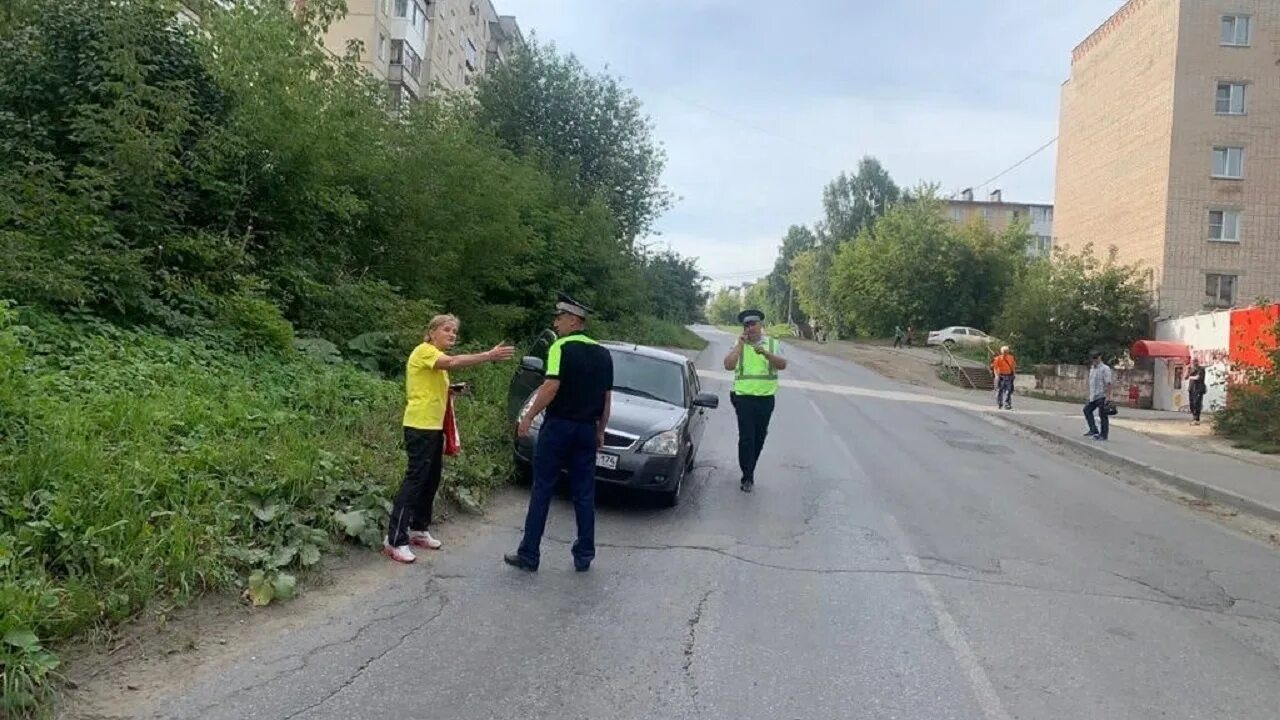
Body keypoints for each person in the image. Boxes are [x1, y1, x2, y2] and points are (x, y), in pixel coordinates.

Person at [384, 315, 515, 564]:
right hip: (419, 425)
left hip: (434, 427)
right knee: (415, 479)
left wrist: (451, 390)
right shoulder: (425, 351)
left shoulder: (434, 357)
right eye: (446, 329)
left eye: (455, 331)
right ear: (431, 331)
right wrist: (488, 355)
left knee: (430, 479)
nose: (452, 334)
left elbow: (430, 385)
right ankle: (395, 540)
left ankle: (418, 529)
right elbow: (452, 362)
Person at [506, 293, 614, 573]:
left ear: (574, 321)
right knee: (584, 493)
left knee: (542, 488)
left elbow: (551, 386)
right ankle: (584, 555)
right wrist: (600, 430)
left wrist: (528, 416)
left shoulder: (560, 348)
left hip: (559, 427)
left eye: (560, 317)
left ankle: (529, 554)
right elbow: (606, 399)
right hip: (586, 431)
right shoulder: (603, 354)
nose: (556, 322)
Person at [723, 309, 788, 492]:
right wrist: (740, 346)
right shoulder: (738, 344)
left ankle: (750, 469)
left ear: (761, 326)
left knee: (759, 437)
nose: (750, 328)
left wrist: (766, 354)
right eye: (747, 325)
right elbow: (728, 365)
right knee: (747, 438)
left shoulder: (773, 344)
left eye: (753, 324)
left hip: (766, 399)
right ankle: (747, 476)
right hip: (743, 397)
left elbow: (782, 365)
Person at [1083, 351, 1114, 441]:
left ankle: (1104, 435)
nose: (1094, 360)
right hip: (1093, 396)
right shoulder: (1092, 369)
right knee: (1087, 410)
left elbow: (1108, 383)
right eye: (1093, 358)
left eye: (1096, 358)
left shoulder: (1105, 368)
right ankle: (1093, 430)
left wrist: (1108, 397)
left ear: (1100, 358)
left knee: (1103, 415)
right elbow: (1091, 383)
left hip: (1102, 395)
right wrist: (1088, 395)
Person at [991, 345, 1017, 410]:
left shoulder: (1011, 358)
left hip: (1009, 376)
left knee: (1008, 391)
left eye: (1006, 351)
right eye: (1004, 351)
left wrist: (1013, 374)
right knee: (999, 390)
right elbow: (995, 367)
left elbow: (1013, 366)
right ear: (1001, 352)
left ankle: (1007, 404)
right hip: (1001, 376)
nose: (1005, 352)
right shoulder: (998, 358)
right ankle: (999, 403)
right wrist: (996, 375)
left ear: (1008, 351)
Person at [1186, 359, 1207, 425]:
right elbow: (1185, 377)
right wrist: (1187, 369)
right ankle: (1194, 417)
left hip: (1198, 389)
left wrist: (1190, 377)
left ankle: (1197, 419)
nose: (1194, 363)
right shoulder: (1191, 369)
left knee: (1197, 403)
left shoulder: (1201, 369)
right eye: (1192, 362)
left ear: (1197, 362)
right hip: (1191, 388)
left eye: (1195, 362)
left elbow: (1197, 377)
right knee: (1191, 404)